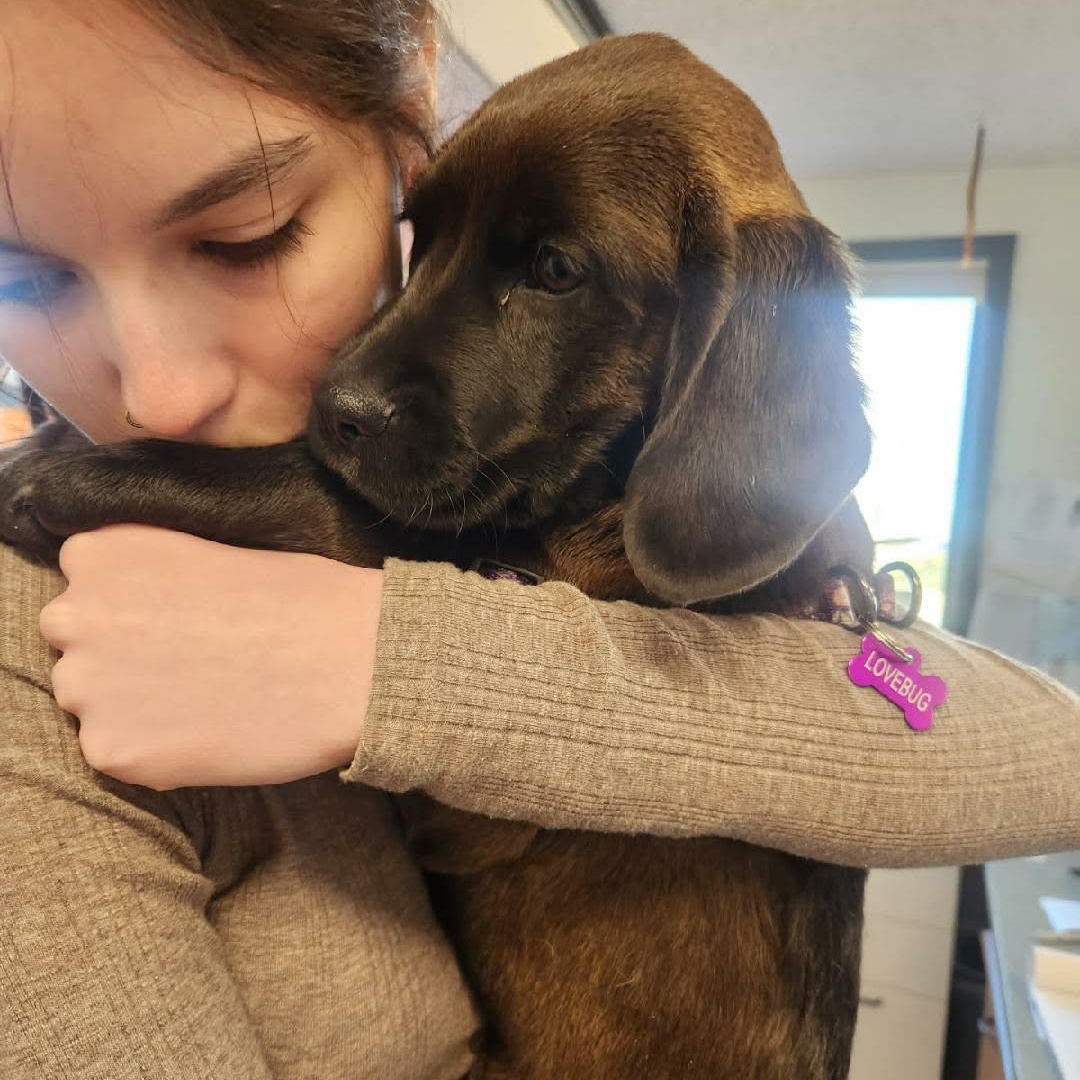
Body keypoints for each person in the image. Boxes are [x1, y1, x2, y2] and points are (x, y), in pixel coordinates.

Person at [0, 2, 1076, 1078]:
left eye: (252, 236)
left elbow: (1035, 748)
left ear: (400, 138)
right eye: (25, 276)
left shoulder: (711, 492)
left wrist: (405, 667)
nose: (159, 393)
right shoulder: (36, 653)